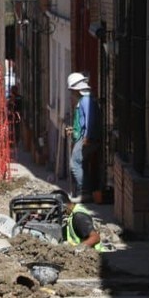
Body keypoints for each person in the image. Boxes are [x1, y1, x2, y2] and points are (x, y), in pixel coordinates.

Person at [66, 72, 94, 201]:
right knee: (80, 164)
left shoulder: (86, 101)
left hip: (86, 138)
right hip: (83, 136)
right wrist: (74, 129)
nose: (71, 94)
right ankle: (83, 191)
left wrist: (86, 137)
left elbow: (89, 119)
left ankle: (84, 192)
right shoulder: (84, 101)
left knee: (75, 163)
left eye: (72, 91)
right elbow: (82, 120)